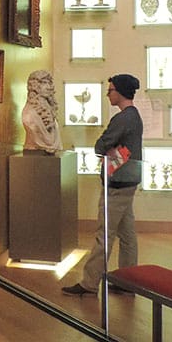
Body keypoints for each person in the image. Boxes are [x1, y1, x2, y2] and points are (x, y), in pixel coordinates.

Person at [62, 74, 143, 297]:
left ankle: (89, 283)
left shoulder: (123, 119)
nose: (108, 94)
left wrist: (105, 148)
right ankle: (128, 281)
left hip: (118, 183)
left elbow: (100, 145)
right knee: (126, 234)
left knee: (104, 233)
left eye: (111, 90)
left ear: (120, 92)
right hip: (127, 180)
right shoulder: (132, 116)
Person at [21, 70, 62, 154]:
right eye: (44, 83)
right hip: (34, 155)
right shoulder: (29, 114)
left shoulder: (50, 109)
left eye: (49, 83)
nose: (49, 87)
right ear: (35, 86)